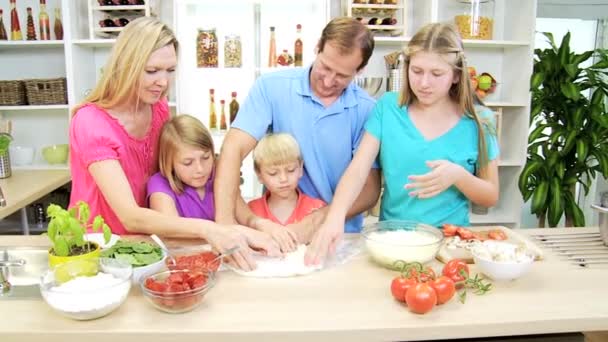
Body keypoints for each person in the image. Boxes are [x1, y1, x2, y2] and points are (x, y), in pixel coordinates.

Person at [69, 17, 279, 271]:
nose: (163, 82)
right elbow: (130, 216)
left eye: (169, 70)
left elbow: (167, 173)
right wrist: (212, 229)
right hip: (98, 246)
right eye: (152, 71)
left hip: (146, 242)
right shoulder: (91, 122)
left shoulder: (157, 108)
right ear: (125, 66)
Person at [305, 23, 500, 265]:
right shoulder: (388, 108)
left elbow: (491, 195)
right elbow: (358, 169)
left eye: (436, 74)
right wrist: (334, 217)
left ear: (456, 75)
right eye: (416, 71)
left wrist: (458, 176)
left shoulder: (480, 121)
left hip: (450, 246)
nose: (424, 83)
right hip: (392, 241)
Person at [214, 17, 381, 250]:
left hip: (340, 238)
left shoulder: (367, 109)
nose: (328, 80)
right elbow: (232, 149)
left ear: (360, 70)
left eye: (342, 76)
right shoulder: (271, 88)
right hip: (278, 234)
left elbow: (370, 190)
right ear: (317, 47)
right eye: (325, 66)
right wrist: (223, 225)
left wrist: (315, 221)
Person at [248, 133, 327, 252]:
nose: (283, 179)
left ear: (300, 168)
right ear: (259, 174)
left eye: (290, 170)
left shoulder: (317, 209)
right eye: (273, 173)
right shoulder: (250, 212)